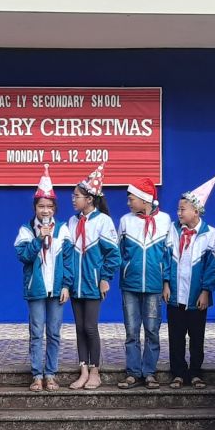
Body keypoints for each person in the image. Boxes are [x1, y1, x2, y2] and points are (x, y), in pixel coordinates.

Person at [15, 166, 74, 391]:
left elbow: (68, 261)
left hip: (57, 289)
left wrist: (66, 285)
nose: (45, 210)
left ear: (55, 208)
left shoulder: (63, 230)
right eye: (41, 206)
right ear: (35, 208)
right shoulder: (26, 230)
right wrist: (39, 238)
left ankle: (50, 373)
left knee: (54, 333)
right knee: (36, 333)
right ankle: (37, 375)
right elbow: (24, 256)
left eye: (49, 206)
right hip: (36, 289)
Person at [64, 165, 118, 390]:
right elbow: (67, 255)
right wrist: (66, 282)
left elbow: (113, 254)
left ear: (89, 199)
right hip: (75, 284)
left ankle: (95, 371)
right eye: (73, 195)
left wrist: (105, 278)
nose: (73, 199)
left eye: (76, 196)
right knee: (78, 328)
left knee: (90, 327)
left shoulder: (103, 221)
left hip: (93, 283)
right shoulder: (72, 221)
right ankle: (83, 370)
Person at [117, 178, 171, 390]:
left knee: (152, 330)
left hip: (154, 286)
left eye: (131, 199)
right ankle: (132, 372)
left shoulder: (165, 220)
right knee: (131, 331)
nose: (128, 203)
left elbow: (168, 255)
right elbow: (119, 251)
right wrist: (126, 268)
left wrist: (166, 282)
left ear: (144, 200)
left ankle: (149, 372)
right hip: (129, 286)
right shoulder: (125, 221)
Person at [168, 176, 215, 389]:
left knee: (197, 336)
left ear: (196, 211)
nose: (179, 213)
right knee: (176, 335)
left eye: (183, 209)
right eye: (178, 209)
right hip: (175, 293)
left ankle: (196, 372)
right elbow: (166, 258)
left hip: (196, 294)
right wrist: (166, 283)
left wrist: (206, 290)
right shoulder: (173, 229)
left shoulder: (209, 233)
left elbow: (211, 265)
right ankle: (178, 373)